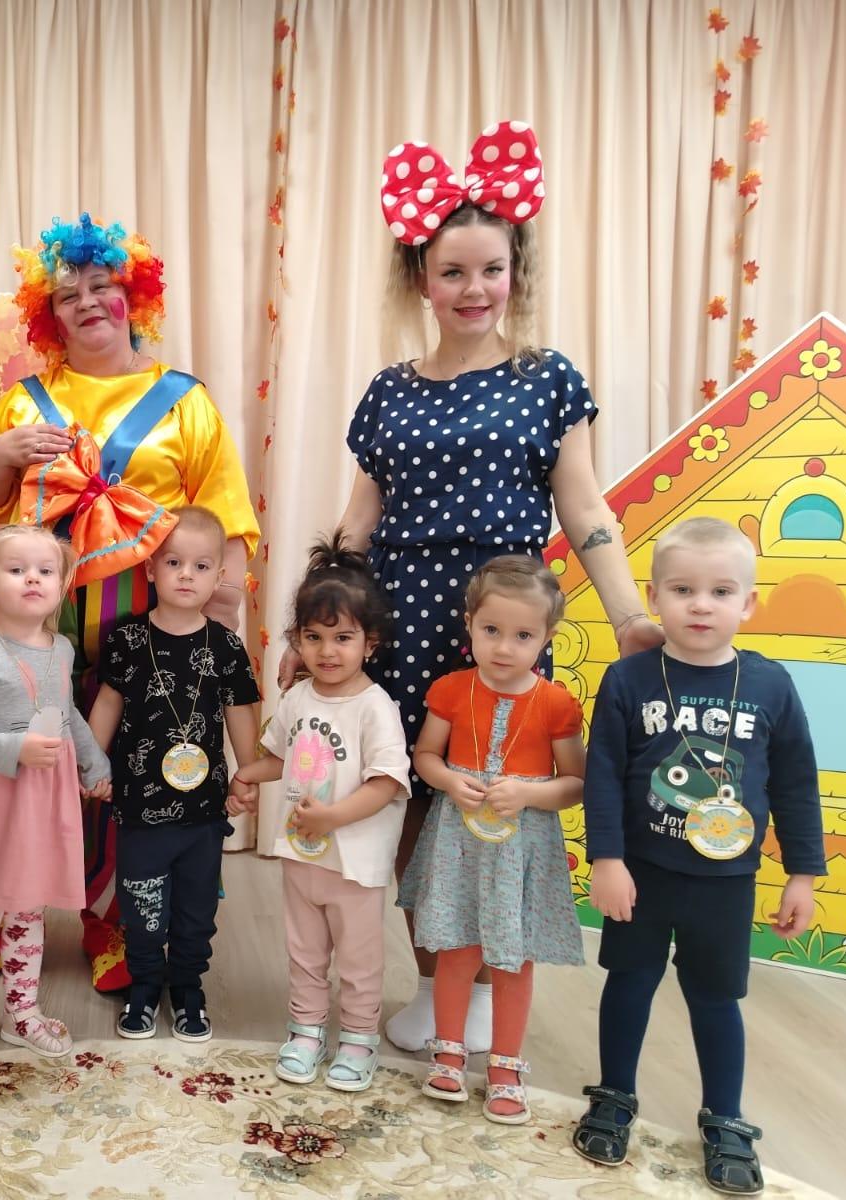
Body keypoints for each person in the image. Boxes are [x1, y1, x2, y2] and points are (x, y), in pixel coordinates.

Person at [282, 121, 664, 1053]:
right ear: (422, 279)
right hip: (399, 618)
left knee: (496, 800)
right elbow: (359, 519)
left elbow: (584, 506)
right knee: (412, 796)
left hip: (503, 624)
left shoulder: (548, 380)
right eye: (452, 272)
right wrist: (312, 628)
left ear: (515, 274)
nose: (473, 289)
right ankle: (431, 983)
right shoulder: (388, 390)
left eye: (491, 270)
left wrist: (629, 614)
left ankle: (492, 987)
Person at [0, 213, 259, 991]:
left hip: (153, 628)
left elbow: (226, 520)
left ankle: (120, 924)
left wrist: (219, 629)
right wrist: (2, 450)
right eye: (67, 294)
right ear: (48, 316)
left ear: (134, 298)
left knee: (134, 771)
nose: (86, 301)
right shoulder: (25, 402)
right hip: (35, 627)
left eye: (102, 285)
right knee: (24, 764)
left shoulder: (184, 401)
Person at [573, 517, 824, 1195]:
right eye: (683, 590)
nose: (701, 605)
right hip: (641, 873)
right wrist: (607, 860)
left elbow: (797, 784)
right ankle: (614, 1096)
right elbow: (603, 776)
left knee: (716, 997)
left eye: (720, 591)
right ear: (654, 596)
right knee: (628, 982)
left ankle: (726, 1119)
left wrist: (802, 874)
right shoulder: (628, 679)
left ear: (748, 603)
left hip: (726, 881)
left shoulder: (771, 686)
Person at [400, 556, 586, 1124]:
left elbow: (576, 784)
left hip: (521, 847)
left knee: (513, 960)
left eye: (523, 636)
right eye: (491, 630)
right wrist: (448, 781)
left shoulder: (556, 703)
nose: (504, 647)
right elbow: (424, 756)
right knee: (456, 949)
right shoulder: (451, 690)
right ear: (469, 625)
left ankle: (505, 1067)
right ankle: (448, 1052)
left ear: (547, 637)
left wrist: (528, 794)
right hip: (459, 841)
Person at [229, 533, 410, 1093]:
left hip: (353, 862)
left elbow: (386, 783)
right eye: (313, 637)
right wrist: (246, 775)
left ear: (370, 643)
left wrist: (332, 817)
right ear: (297, 641)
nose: (327, 651)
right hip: (302, 854)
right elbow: (280, 757)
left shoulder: (375, 707)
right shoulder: (298, 698)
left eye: (342, 638)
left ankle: (357, 1039)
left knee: (358, 958)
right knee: (305, 951)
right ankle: (306, 1031)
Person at [0, 525, 111, 1077]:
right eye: (17, 570)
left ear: (61, 586)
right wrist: (15, 749)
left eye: (45, 571)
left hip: (44, 802)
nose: (33, 579)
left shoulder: (61, 648)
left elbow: (68, 713)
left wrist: (93, 763)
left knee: (29, 909)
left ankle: (21, 1012)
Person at [87, 506, 261, 1041]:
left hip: (203, 811)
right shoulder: (126, 639)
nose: (187, 575)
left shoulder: (226, 647)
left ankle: (188, 989)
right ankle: (143, 987)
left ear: (219, 577)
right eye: (174, 563)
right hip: (138, 807)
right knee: (141, 905)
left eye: (201, 566)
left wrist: (248, 776)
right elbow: (108, 705)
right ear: (150, 569)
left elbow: (241, 715)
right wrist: (91, 764)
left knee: (195, 909)